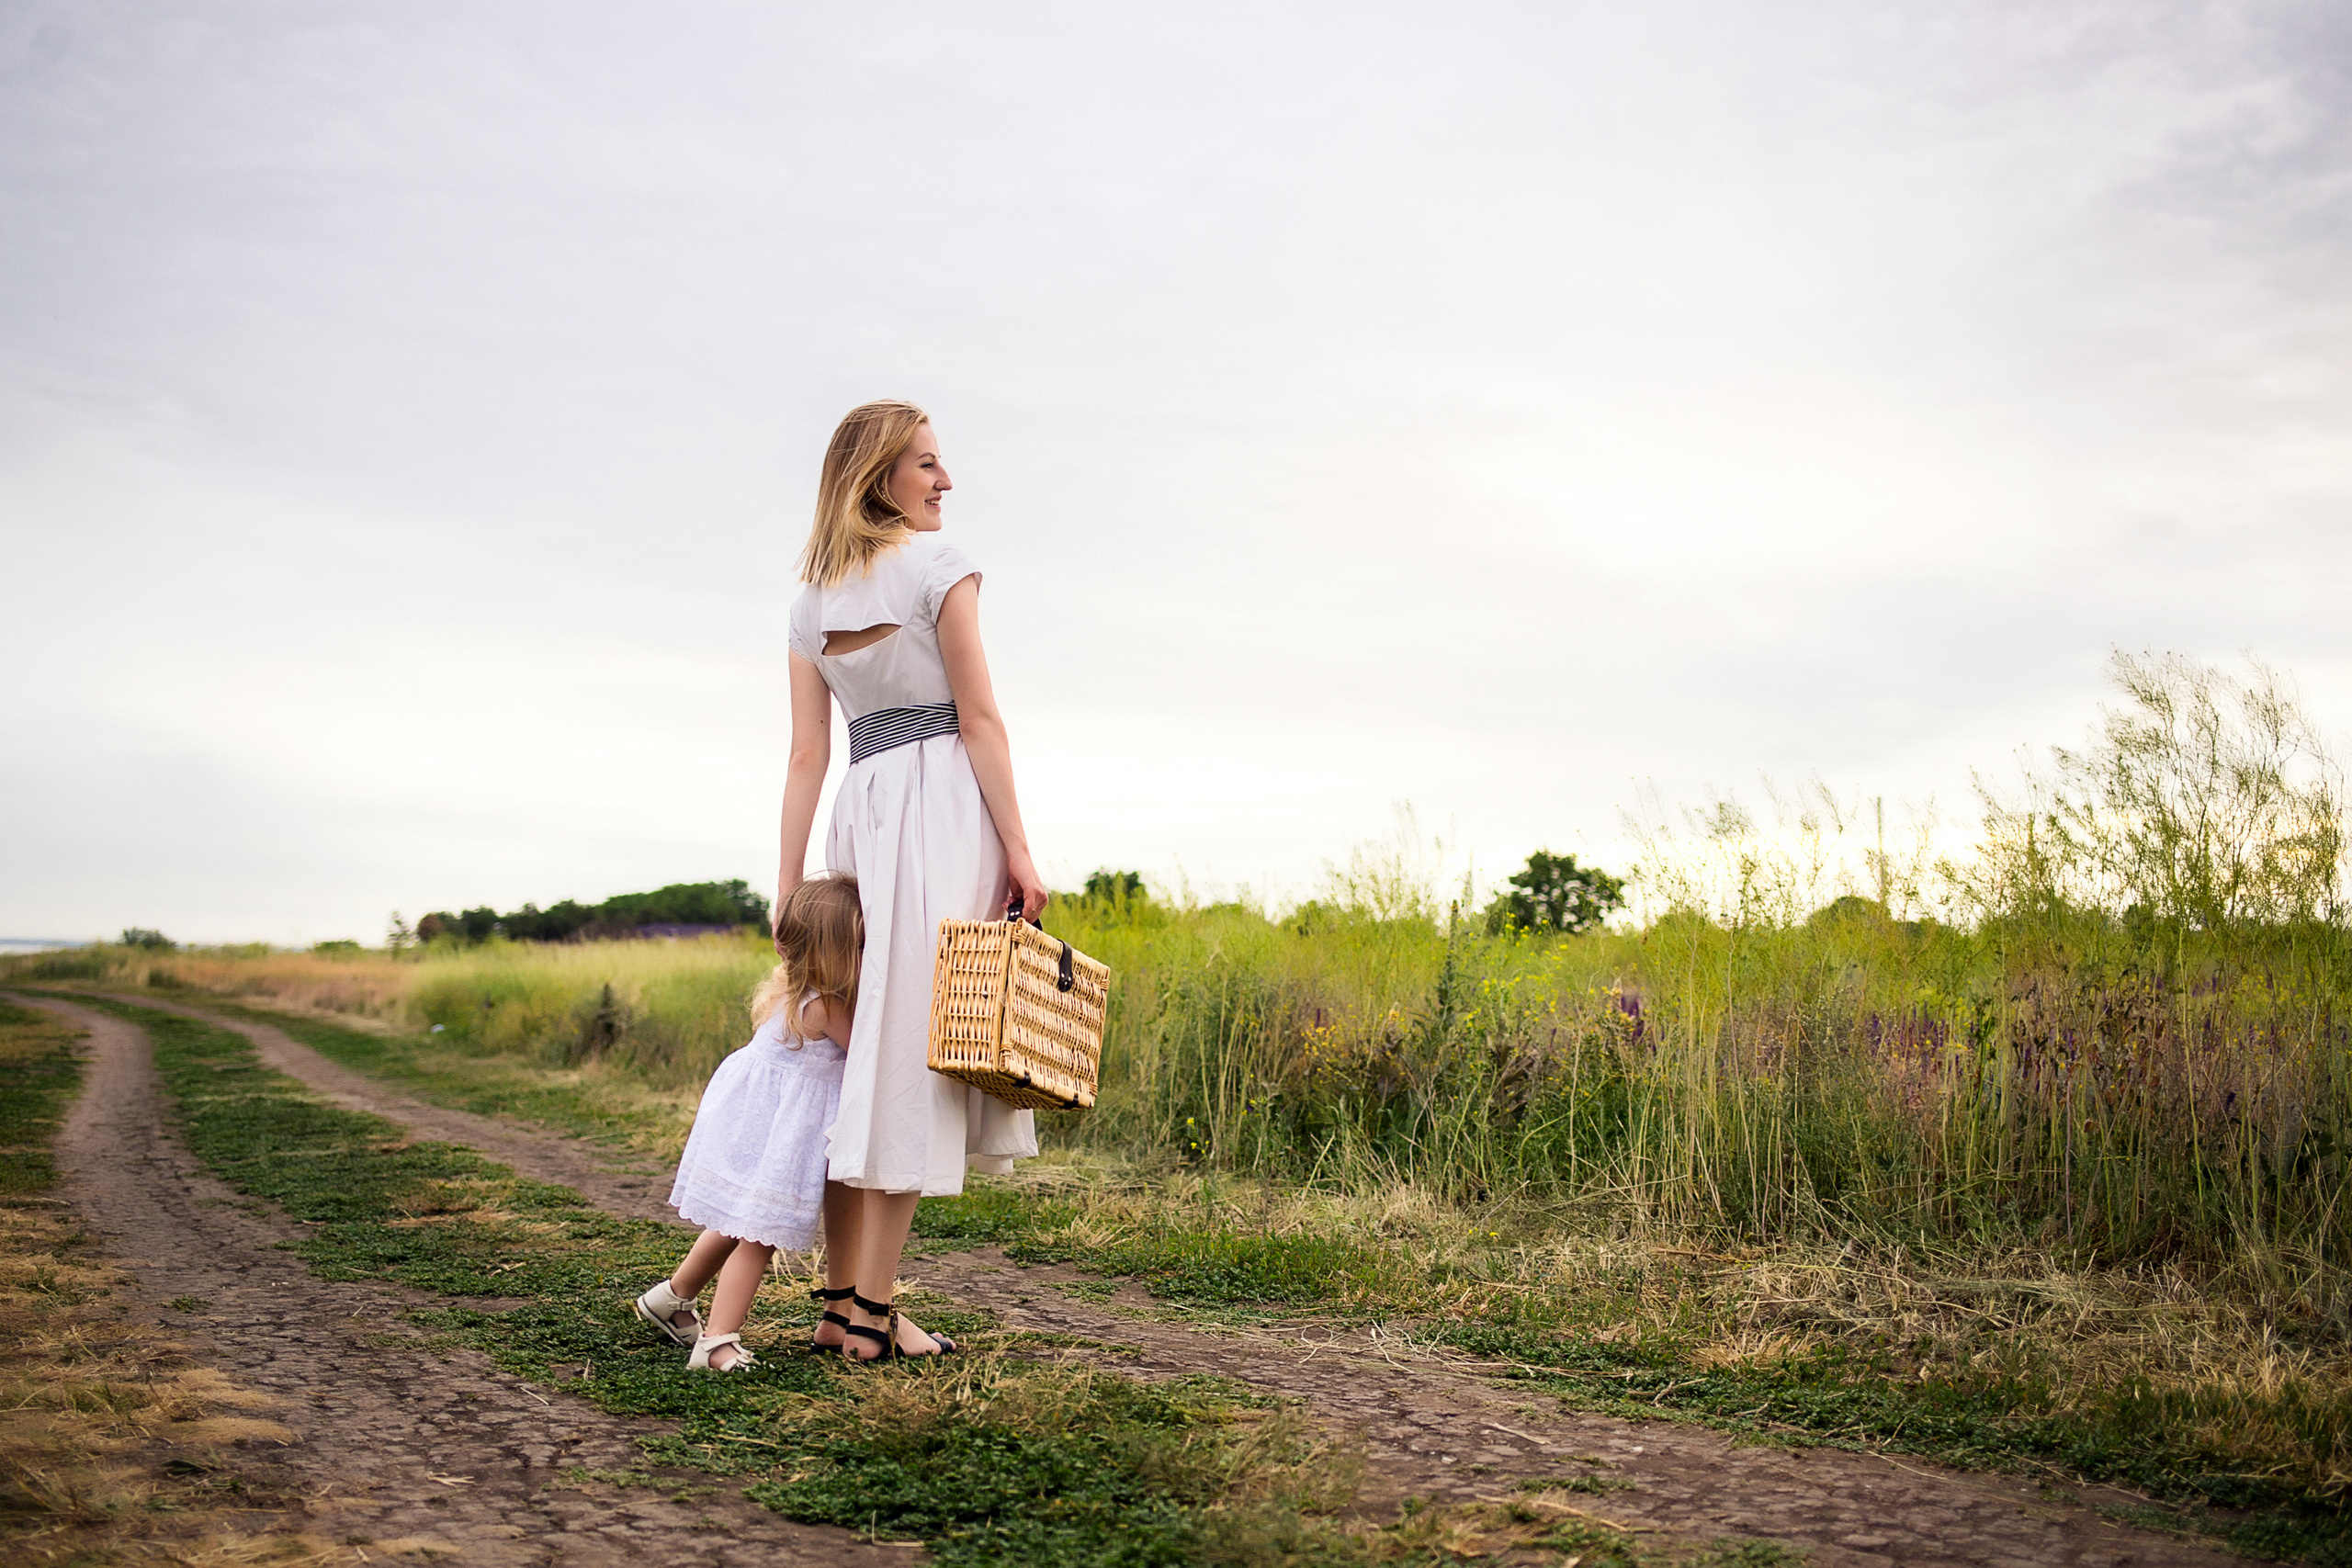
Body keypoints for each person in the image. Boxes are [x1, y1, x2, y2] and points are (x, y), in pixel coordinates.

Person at [778, 399, 1047, 1362]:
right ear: (877, 478)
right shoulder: (942, 567)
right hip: (939, 811)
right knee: (912, 1053)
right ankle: (869, 1315)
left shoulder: (811, 602)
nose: (944, 482)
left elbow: (808, 754)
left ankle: (844, 1298)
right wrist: (1019, 848)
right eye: (926, 464)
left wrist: (788, 884)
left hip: (862, 806)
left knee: (866, 1053)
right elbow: (980, 721)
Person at [632, 874, 865, 1371]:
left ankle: (673, 1299)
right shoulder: (827, 1003)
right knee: (759, 1232)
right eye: (863, 943)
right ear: (837, 949)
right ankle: (716, 1342)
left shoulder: (790, 990)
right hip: (780, 1132)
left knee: (738, 1219)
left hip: (758, 1120)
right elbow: (869, 1055)